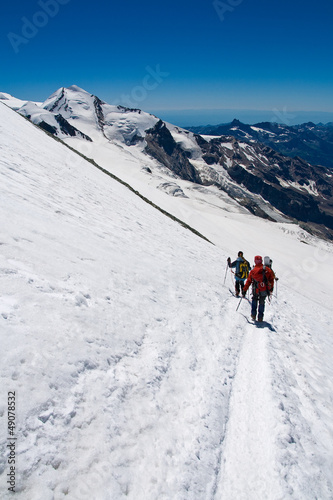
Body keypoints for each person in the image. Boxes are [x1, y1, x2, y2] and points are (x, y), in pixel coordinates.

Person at [242, 255, 274, 322]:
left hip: (255, 289)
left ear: (255, 261)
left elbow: (249, 281)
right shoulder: (266, 269)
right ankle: (260, 317)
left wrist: (244, 289)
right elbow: (271, 278)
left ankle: (253, 314)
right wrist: (271, 288)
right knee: (262, 302)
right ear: (261, 261)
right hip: (264, 289)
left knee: (254, 300)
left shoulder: (253, 271)